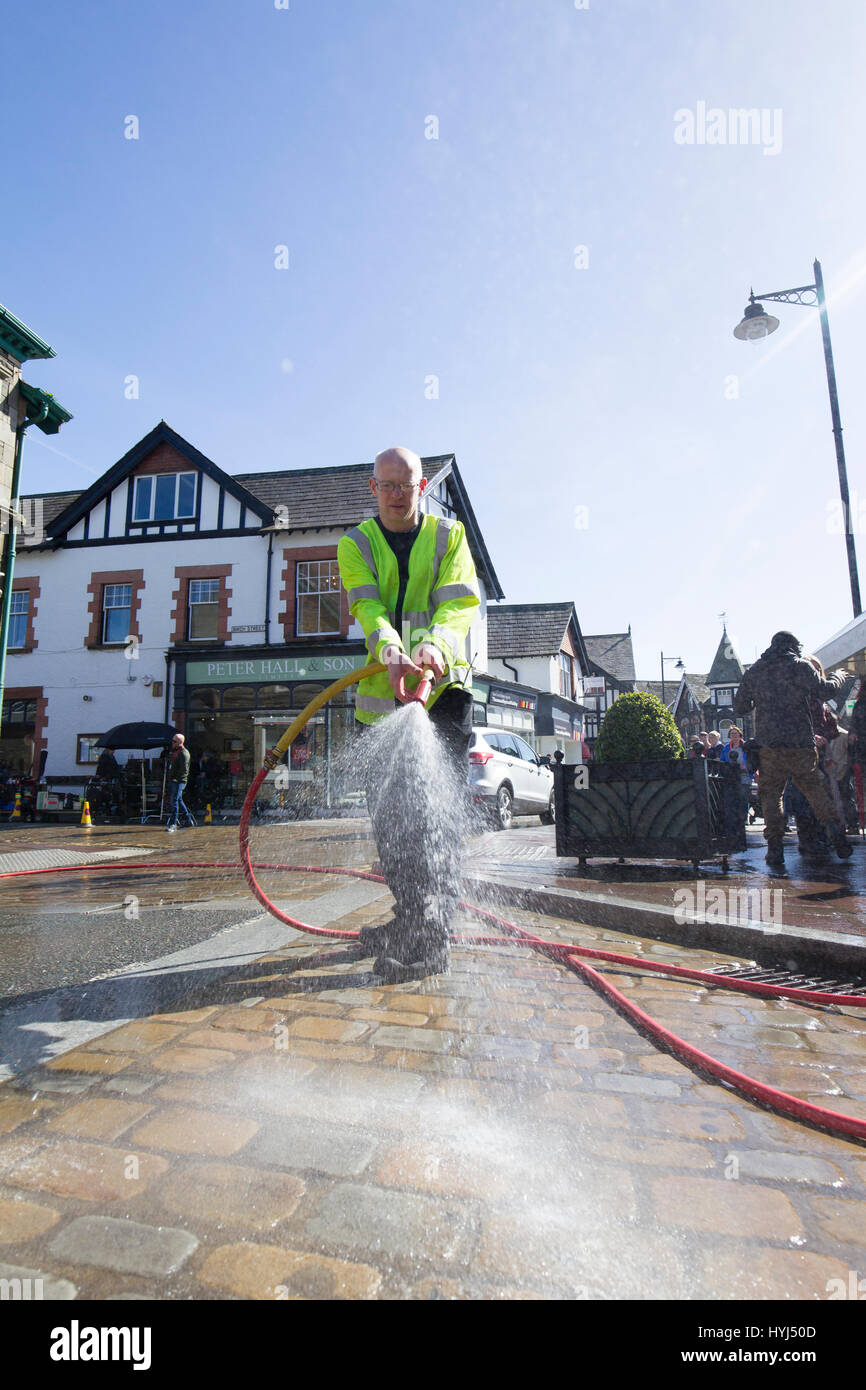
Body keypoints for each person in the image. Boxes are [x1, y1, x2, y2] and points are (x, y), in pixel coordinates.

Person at [337, 445, 480, 982]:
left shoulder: (450, 537)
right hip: (381, 703)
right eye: (387, 485)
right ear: (372, 488)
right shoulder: (356, 543)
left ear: (423, 486)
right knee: (393, 824)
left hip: (443, 697)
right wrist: (391, 651)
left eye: (408, 484)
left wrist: (436, 647)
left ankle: (430, 937)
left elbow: (459, 603)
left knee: (435, 820)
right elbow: (366, 605)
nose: (398, 495)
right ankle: (409, 918)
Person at [734, 631, 851, 869]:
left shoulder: (756, 671)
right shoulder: (800, 666)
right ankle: (836, 835)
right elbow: (826, 690)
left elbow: (740, 707)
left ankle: (775, 848)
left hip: (770, 745)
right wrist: (839, 676)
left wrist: (762, 697)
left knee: (771, 796)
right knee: (815, 790)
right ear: (793, 647)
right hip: (800, 742)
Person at [720, 725, 751, 829]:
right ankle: (735, 818)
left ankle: (743, 818)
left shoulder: (745, 746)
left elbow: (751, 760)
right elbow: (722, 761)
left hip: (744, 775)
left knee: (744, 797)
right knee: (733, 797)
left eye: (736, 734)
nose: (734, 736)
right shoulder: (726, 748)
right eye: (732, 734)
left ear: (739, 735)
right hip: (732, 775)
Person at [166, 732, 196, 831]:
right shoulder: (175, 751)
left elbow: (184, 769)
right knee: (179, 800)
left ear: (180, 742)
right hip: (174, 780)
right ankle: (188, 820)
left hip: (179, 781)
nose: (172, 743)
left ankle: (173, 824)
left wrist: (177, 778)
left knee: (174, 801)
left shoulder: (184, 753)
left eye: (174, 741)